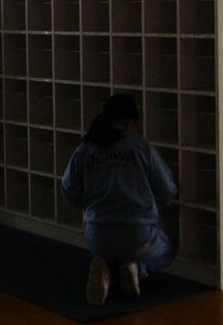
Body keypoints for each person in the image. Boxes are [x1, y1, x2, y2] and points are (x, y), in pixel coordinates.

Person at [61, 94, 178, 307]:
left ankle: (107, 272)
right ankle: (136, 269)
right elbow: (167, 190)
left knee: (111, 251)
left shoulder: (86, 148)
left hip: (97, 237)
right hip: (139, 237)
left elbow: (70, 193)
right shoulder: (140, 147)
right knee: (168, 250)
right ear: (130, 122)